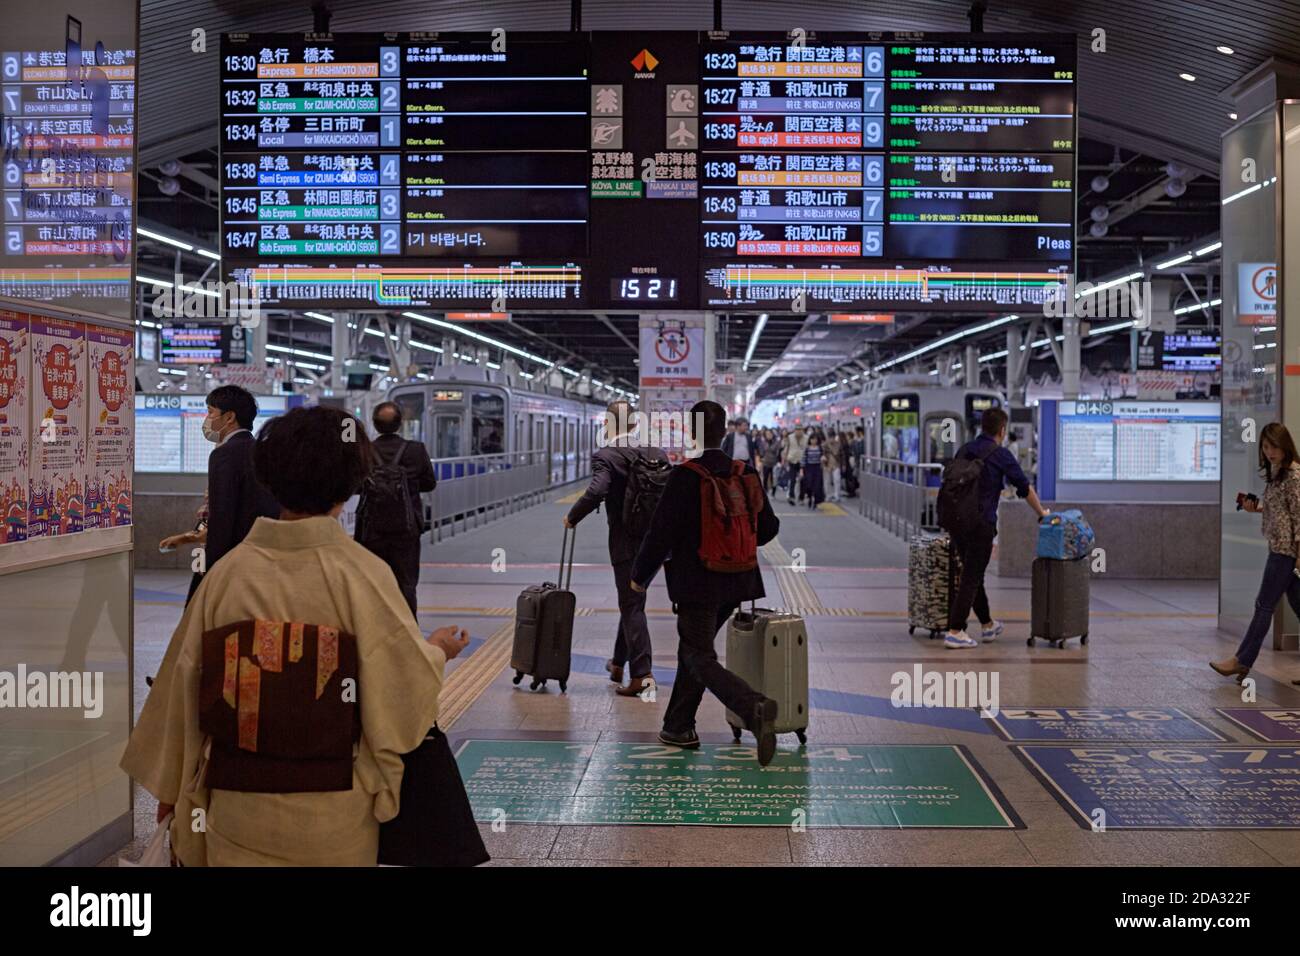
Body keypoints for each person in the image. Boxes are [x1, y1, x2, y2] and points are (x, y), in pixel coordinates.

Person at [120, 405, 470, 866]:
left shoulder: (225, 577)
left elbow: (181, 689)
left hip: (235, 806)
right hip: (334, 812)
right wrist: (438, 651)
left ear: (268, 476)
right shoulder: (364, 575)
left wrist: (172, 790)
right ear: (351, 484)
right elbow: (402, 695)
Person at [630, 400, 782, 765]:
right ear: (726, 430)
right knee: (694, 650)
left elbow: (659, 534)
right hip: (738, 582)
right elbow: (769, 529)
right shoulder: (743, 472)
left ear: (692, 433)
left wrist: (639, 578)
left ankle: (754, 706)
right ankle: (678, 725)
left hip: (698, 584)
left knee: (699, 654)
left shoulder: (686, 475)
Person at [564, 400, 668, 697]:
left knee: (631, 604)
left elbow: (597, 491)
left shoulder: (607, 456)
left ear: (608, 425)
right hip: (655, 544)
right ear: (636, 425)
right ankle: (618, 663)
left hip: (625, 542)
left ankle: (642, 675)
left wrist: (572, 517)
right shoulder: (656, 453)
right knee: (633, 600)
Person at [944, 407, 1048, 650]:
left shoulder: (965, 449)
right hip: (981, 524)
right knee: (971, 576)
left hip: (957, 522)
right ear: (1002, 430)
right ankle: (955, 630)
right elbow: (1024, 487)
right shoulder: (1000, 455)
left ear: (982, 427)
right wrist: (1041, 513)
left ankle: (988, 625)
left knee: (973, 574)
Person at [1213, 423, 1300, 682]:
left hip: (1286, 553)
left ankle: (1241, 661)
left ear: (1285, 446)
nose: (1270, 452)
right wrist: (1257, 509)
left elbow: (1299, 517)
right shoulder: (1277, 473)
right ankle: (1241, 661)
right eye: (1265, 447)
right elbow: (1281, 511)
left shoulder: (1294, 476)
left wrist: (1299, 556)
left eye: (1274, 447)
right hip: (1279, 547)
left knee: (1263, 607)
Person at [355, 401, 437, 617]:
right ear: (400, 423)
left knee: (373, 583)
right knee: (407, 584)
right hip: (406, 528)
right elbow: (430, 483)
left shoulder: (365, 451)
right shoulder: (416, 450)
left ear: (374, 424)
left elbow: (355, 486)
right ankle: (409, 632)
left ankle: (375, 630)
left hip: (372, 530)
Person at [202, 385, 280, 576]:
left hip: (232, 557)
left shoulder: (224, 454)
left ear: (229, 417)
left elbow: (222, 516)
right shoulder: (261, 451)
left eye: (211, 412)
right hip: (259, 552)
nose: (207, 419)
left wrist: (211, 564)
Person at [782, 424, 808, 505]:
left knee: (803, 480)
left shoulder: (806, 438)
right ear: (795, 430)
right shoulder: (790, 437)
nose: (798, 431)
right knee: (792, 480)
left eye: (800, 430)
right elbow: (785, 447)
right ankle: (791, 496)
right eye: (797, 430)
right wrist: (784, 459)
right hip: (792, 460)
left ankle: (801, 498)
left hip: (802, 461)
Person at [802, 433, 825, 509]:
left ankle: (815, 501)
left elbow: (823, 456)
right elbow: (804, 459)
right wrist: (802, 469)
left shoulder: (820, 448)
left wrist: (823, 460)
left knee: (817, 485)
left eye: (815, 439)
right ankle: (809, 497)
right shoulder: (807, 448)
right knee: (809, 484)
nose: (813, 441)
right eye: (812, 439)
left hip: (817, 468)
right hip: (809, 468)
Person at [823, 430, 843, 502]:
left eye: (832, 437)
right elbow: (823, 454)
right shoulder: (824, 445)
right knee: (827, 481)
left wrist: (843, 464)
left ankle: (837, 495)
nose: (831, 439)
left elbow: (842, 455)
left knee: (837, 479)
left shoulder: (839, 444)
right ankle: (827, 495)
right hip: (827, 464)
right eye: (830, 437)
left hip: (836, 464)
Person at [760, 429, 782, 494]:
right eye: (767, 434)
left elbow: (778, 453)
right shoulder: (763, 442)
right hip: (766, 462)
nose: (768, 435)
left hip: (774, 462)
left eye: (770, 434)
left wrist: (779, 461)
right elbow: (762, 451)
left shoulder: (776, 442)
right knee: (765, 477)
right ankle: (765, 490)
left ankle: (773, 491)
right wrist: (762, 457)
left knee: (773, 478)